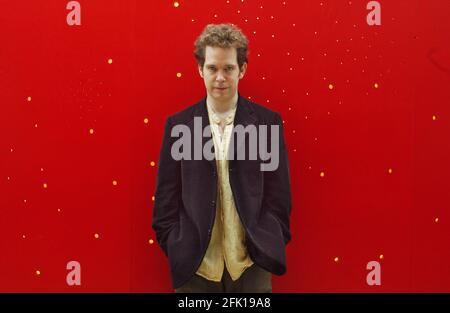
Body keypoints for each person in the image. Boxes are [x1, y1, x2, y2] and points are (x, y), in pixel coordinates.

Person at [152, 23, 292, 293]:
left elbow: (279, 197)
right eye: (212, 68)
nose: (220, 77)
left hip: (252, 265)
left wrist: (268, 240)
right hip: (196, 269)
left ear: (242, 69)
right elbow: (165, 200)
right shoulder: (179, 126)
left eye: (228, 68)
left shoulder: (267, 124)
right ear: (200, 70)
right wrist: (176, 244)